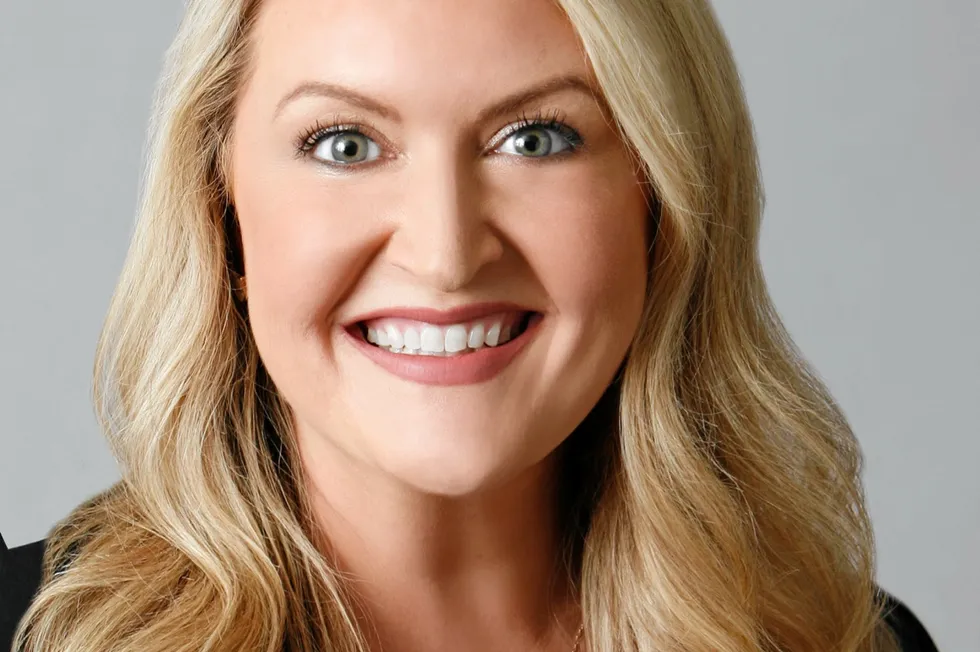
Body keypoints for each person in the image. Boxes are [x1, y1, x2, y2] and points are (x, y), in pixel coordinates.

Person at [0, 0, 941, 650]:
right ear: (224, 213)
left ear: (661, 203)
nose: (446, 255)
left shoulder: (849, 642)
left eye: (536, 139)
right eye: (345, 144)